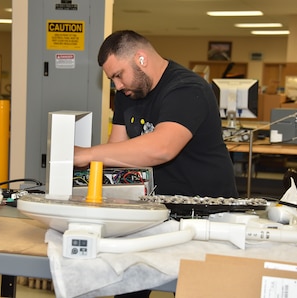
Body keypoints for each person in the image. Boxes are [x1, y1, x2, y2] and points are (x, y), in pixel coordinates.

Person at [74, 30, 238, 298]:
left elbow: (162, 148)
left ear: (141, 58)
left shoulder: (187, 88)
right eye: (111, 79)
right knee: (128, 285)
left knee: (192, 290)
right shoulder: (129, 93)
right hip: (155, 209)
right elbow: (117, 149)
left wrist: (86, 154)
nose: (116, 85)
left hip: (204, 211)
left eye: (118, 75)